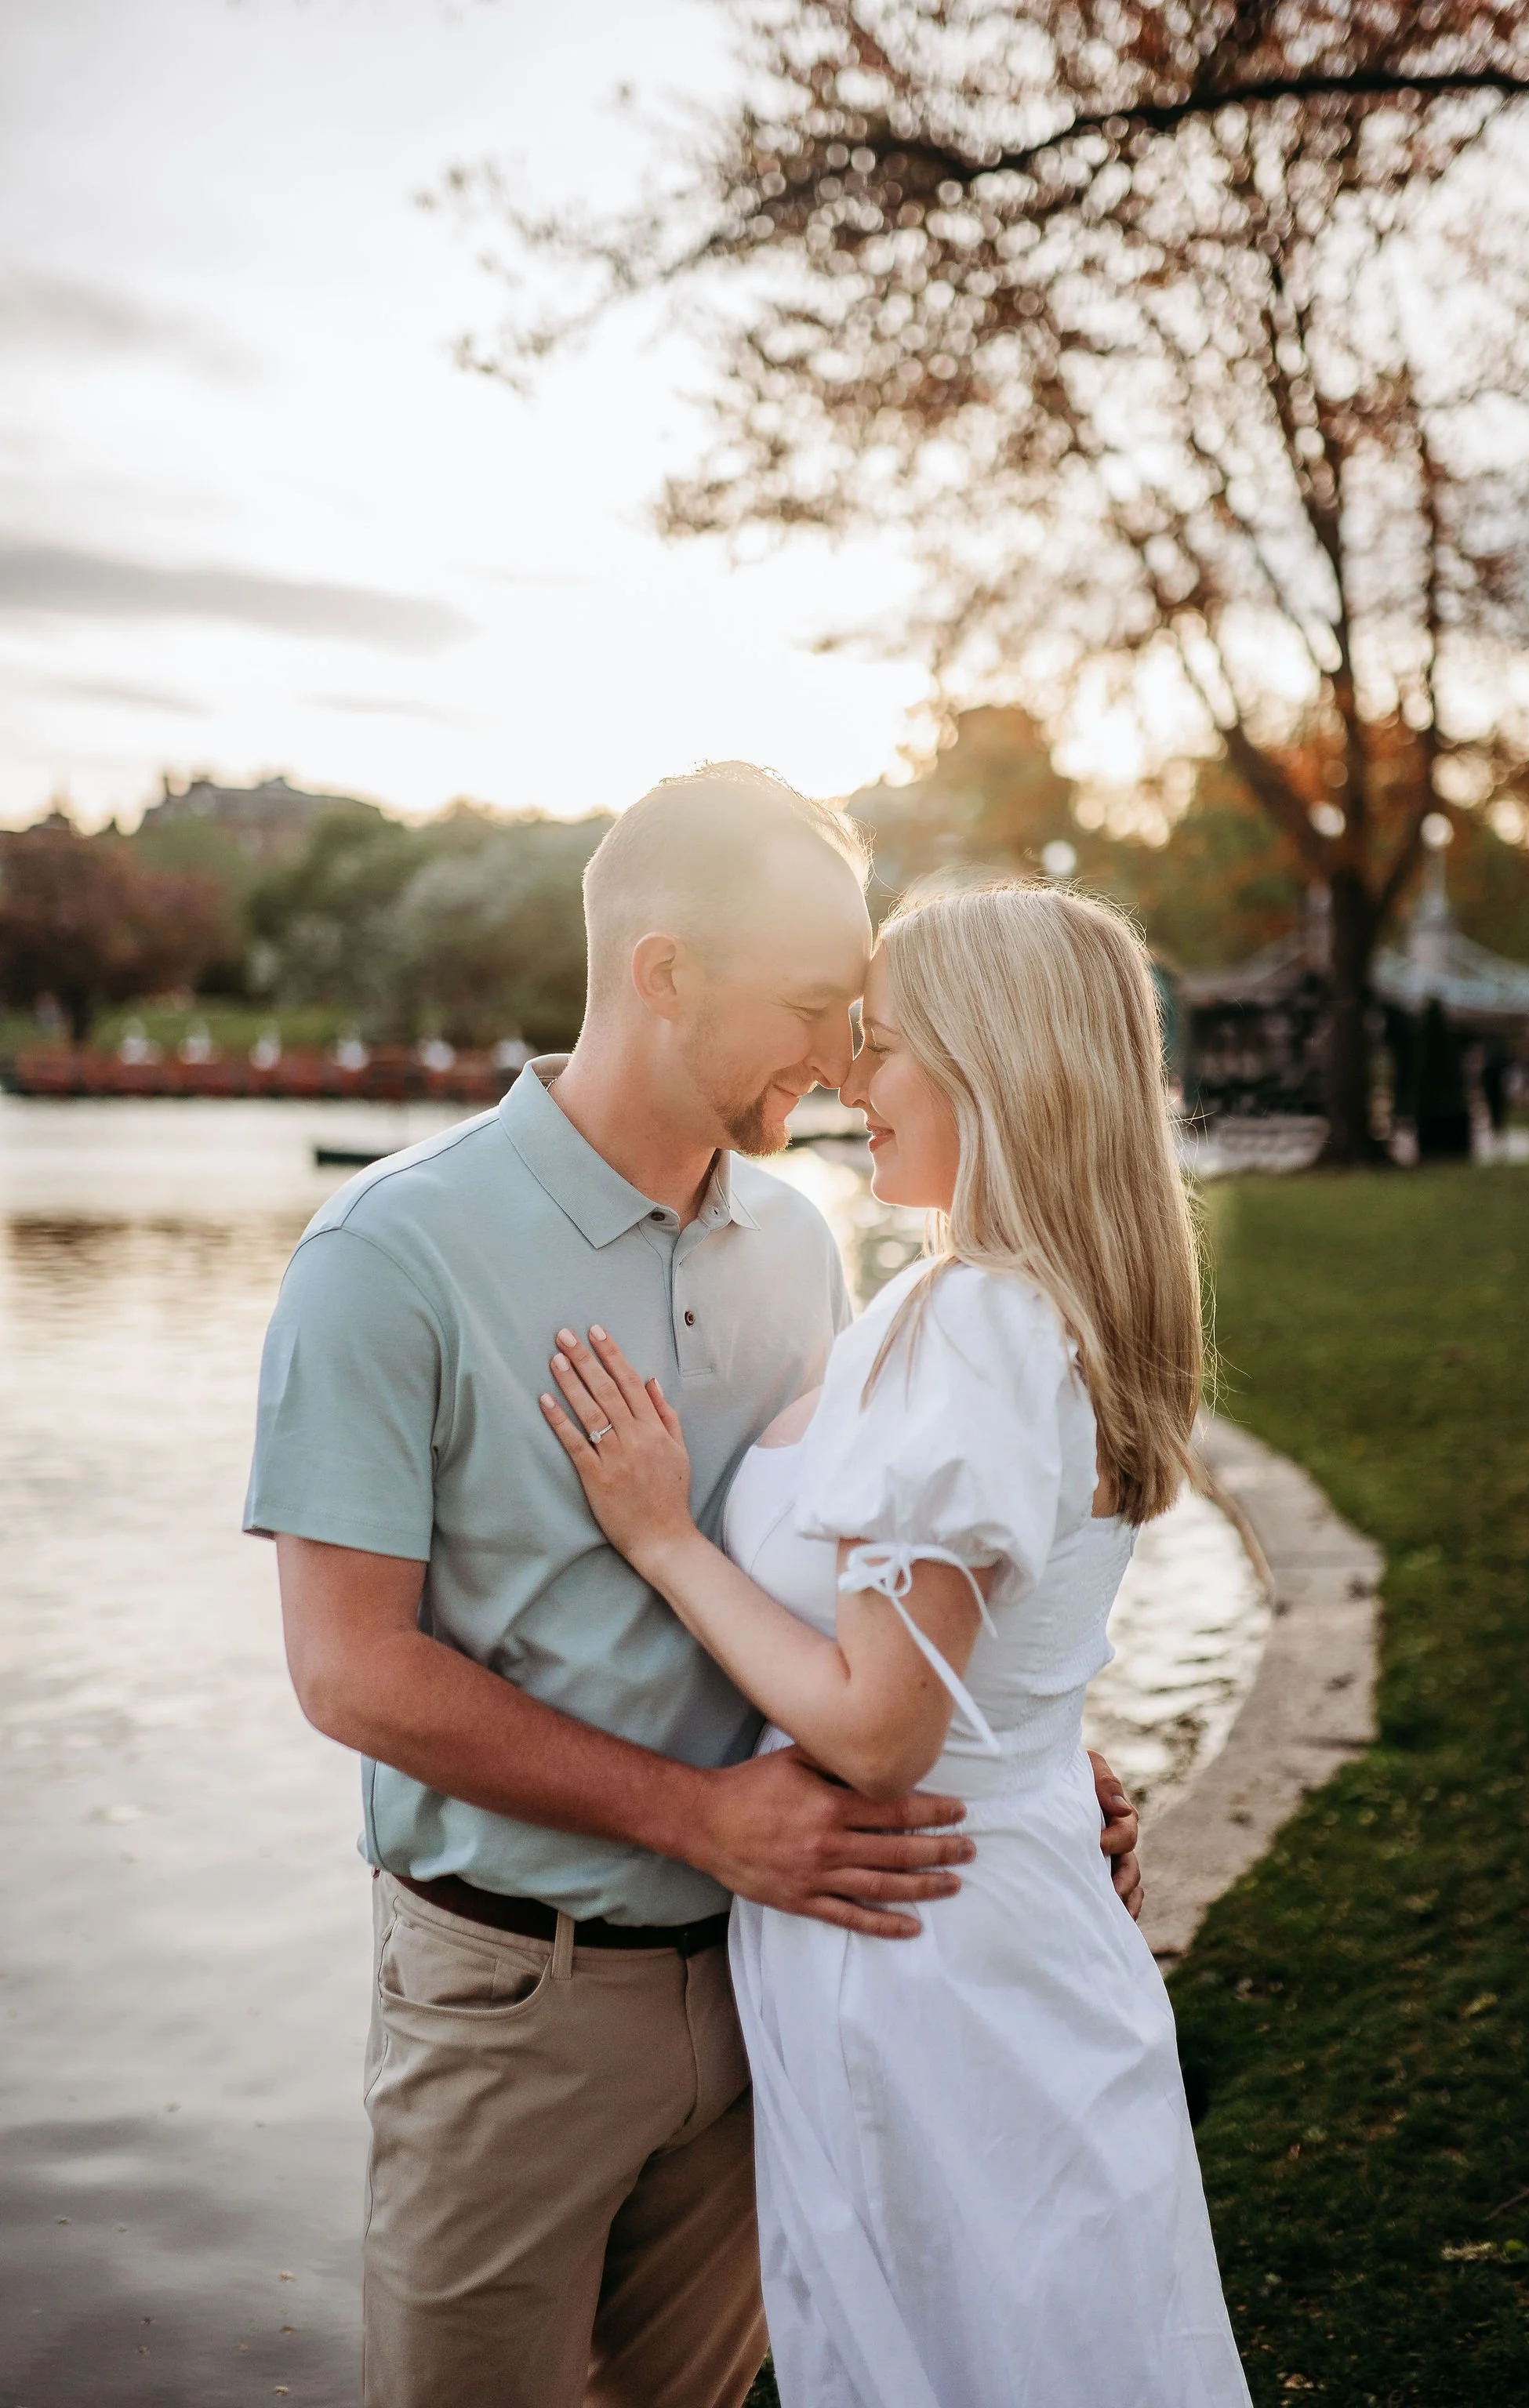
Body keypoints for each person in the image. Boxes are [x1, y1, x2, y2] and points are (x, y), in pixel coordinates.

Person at [244, 765, 1142, 2408]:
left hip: (773, 1980)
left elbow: (846, 1576)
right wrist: (694, 1816)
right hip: (515, 2000)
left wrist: (1002, 1757)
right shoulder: (388, 1256)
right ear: (663, 976)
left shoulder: (802, 1246)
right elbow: (349, 1674)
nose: (841, 1056)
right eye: (814, 1008)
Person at [543, 881, 1250, 2408]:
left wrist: (661, 1534)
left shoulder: (974, 1323)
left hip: (926, 1964)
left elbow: (877, 1733)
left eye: (890, 1046)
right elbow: (999, 1662)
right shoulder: (1057, 1314)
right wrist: (1052, 1762)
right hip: (991, 1921)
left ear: (998, 1066)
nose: (854, 1083)